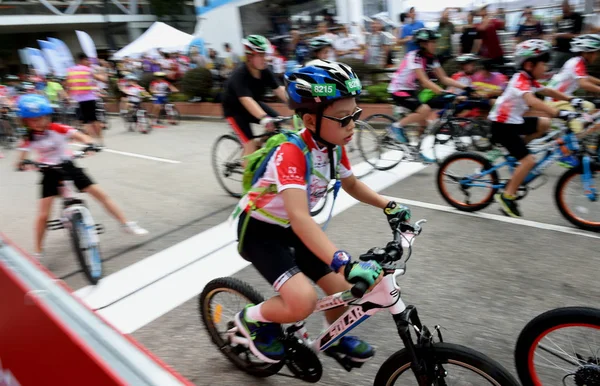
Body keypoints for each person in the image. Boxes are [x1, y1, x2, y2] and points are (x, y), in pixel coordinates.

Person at [233, 59, 412, 364]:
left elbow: (352, 184)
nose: (352, 125)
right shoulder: (291, 153)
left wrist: (388, 205)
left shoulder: (333, 146)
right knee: (302, 302)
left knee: (342, 289)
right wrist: (342, 261)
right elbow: (301, 218)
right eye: (343, 118)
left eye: (354, 114)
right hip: (260, 231)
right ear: (311, 121)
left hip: (290, 227)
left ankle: (332, 339)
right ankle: (251, 319)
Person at [14, 95, 148, 259]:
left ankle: (126, 224)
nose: (36, 122)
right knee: (43, 214)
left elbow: (80, 136)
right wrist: (24, 164)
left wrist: (89, 144)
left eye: (40, 118)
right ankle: (38, 252)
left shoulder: (57, 128)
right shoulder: (28, 139)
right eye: (31, 120)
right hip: (48, 171)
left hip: (68, 166)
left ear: (48, 116)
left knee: (101, 195)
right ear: (25, 122)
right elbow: (20, 160)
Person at [489, 39, 580, 218]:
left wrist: (571, 100)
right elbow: (532, 101)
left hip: (514, 122)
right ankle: (507, 196)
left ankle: (517, 154)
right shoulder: (520, 81)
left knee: (545, 123)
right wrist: (559, 113)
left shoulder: (529, 79)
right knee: (529, 161)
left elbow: (547, 91)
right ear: (530, 65)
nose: (546, 67)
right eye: (544, 63)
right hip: (502, 126)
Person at [387, 28, 473, 158]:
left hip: (411, 90)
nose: (436, 44)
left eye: (435, 41)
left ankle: (417, 151)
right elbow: (424, 80)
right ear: (423, 44)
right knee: (425, 110)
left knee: (424, 122)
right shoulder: (414, 56)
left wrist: (466, 87)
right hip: (398, 89)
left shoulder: (432, 58)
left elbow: (444, 78)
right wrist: (443, 92)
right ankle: (396, 127)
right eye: (433, 42)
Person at [221, 35, 288, 158]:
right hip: (235, 111)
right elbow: (246, 100)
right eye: (261, 55)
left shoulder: (265, 71)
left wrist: (299, 104)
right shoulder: (239, 74)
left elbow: (279, 90)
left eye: (265, 55)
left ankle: (259, 144)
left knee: (278, 124)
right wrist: (264, 118)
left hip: (253, 105)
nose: (265, 59)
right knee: (250, 145)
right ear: (249, 56)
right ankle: (248, 170)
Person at [66, 53, 107, 144]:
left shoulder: (71, 71)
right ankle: (100, 139)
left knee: (86, 122)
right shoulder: (88, 70)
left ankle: (92, 141)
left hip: (79, 100)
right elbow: (103, 79)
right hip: (90, 98)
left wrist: (69, 97)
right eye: (87, 60)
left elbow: (68, 85)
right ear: (82, 60)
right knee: (94, 119)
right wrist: (102, 70)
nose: (89, 62)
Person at [552, 0, 583, 70]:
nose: (563, 8)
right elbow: (554, 33)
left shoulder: (577, 17)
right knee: (556, 70)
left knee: (571, 70)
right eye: (562, 6)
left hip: (571, 50)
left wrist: (560, 35)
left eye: (566, 6)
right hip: (559, 49)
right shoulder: (559, 18)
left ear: (570, 6)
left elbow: (577, 35)